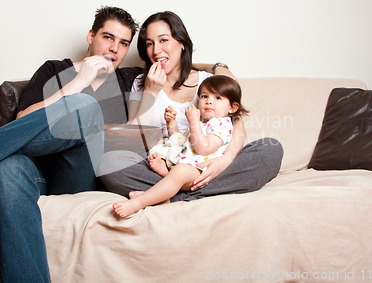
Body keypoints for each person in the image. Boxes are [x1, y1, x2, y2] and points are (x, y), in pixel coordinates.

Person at [0, 6, 141, 283]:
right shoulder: (54, 69)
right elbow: (22, 120)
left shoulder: (128, 79)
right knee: (4, 168)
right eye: (108, 37)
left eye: (123, 43)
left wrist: (213, 69)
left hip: (82, 176)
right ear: (91, 36)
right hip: (38, 174)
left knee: (85, 107)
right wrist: (78, 82)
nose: (114, 49)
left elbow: (183, 67)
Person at [98, 11, 284, 203]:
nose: (155, 50)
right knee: (109, 162)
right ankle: (183, 193)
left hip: (209, 163)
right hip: (165, 164)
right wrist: (151, 92)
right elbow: (134, 142)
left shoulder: (207, 82)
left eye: (163, 40)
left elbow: (236, 123)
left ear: (182, 43)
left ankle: (164, 195)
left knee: (271, 150)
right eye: (149, 43)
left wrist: (225, 161)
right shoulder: (141, 83)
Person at [113, 75, 248, 218]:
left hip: (200, 171)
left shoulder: (223, 124)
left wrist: (194, 121)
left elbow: (204, 148)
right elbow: (179, 140)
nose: (209, 101)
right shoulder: (202, 123)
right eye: (204, 96)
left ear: (232, 108)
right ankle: (164, 184)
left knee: (181, 171)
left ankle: (139, 202)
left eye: (218, 98)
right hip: (184, 164)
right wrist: (171, 124)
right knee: (161, 151)